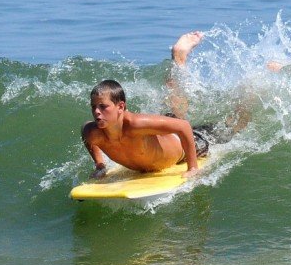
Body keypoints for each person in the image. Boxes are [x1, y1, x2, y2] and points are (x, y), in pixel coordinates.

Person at [81, 32, 207, 179]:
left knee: (229, 129)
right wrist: (100, 165)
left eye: (103, 107)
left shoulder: (136, 124)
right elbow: (86, 135)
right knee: (172, 107)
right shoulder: (91, 132)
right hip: (160, 139)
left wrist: (192, 168)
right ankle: (178, 60)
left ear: (121, 107)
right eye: (93, 107)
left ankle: (179, 56)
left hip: (188, 144)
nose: (96, 112)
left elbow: (184, 126)